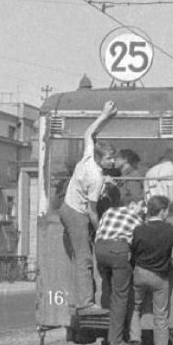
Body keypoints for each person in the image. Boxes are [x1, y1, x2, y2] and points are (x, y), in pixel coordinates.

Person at [60, 100, 117, 314]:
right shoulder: (96, 178)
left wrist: (105, 115)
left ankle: (83, 298)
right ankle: (85, 303)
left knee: (80, 255)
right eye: (111, 158)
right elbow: (92, 211)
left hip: (68, 206)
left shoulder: (88, 157)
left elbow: (89, 133)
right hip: (77, 213)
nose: (113, 161)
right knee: (84, 257)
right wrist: (102, 230)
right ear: (102, 159)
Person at [129, 195, 173, 345]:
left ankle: (135, 341)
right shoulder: (170, 230)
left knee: (134, 308)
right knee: (161, 316)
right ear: (163, 211)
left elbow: (132, 251)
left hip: (140, 274)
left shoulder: (139, 229)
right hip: (159, 278)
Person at [95, 199, 145, 345]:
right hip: (118, 252)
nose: (142, 210)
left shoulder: (110, 211)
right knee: (120, 297)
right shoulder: (137, 220)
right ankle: (116, 342)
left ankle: (112, 329)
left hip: (100, 250)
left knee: (110, 292)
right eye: (141, 206)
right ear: (134, 205)